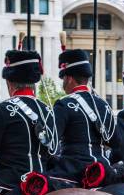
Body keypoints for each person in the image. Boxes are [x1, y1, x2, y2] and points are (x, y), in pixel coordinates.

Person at [0, 49, 54, 195]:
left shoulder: (3, 109)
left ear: (9, 82)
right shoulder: (47, 109)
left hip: (9, 182)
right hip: (43, 183)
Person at [47, 49, 116, 183]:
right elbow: (117, 144)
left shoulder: (63, 104)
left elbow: (52, 145)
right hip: (103, 171)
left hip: (72, 171)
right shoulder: (104, 104)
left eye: (63, 79)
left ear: (69, 78)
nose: (63, 84)